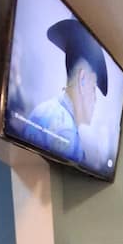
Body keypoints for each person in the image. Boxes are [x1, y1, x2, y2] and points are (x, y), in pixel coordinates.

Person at [26, 19, 108, 164]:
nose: (95, 99)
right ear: (82, 80)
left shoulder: (47, 109)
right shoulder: (66, 130)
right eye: (93, 88)